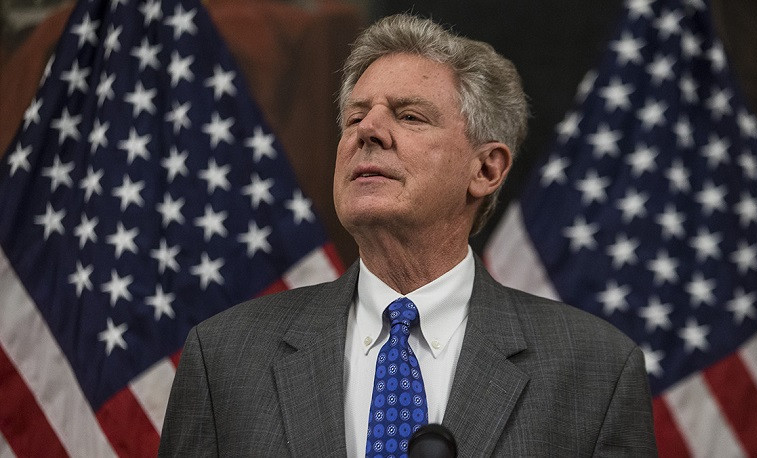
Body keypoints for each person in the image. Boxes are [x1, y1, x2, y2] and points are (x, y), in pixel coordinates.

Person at [159, 13, 656, 457]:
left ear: (486, 169)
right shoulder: (225, 359)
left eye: (409, 116)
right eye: (355, 117)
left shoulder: (596, 371)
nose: (367, 131)